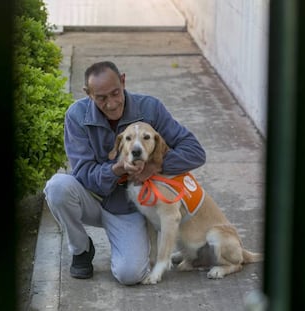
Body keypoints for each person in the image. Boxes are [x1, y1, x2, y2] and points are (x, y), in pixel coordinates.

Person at [44, 61, 206, 285]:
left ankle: (128, 242)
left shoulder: (150, 108)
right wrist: (116, 169)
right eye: (101, 98)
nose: (111, 104)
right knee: (57, 188)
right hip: (93, 198)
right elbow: (82, 173)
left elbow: (195, 151)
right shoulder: (76, 115)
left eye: (115, 93)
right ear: (88, 94)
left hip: (128, 208)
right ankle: (81, 249)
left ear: (123, 81)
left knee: (130, 275)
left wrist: (154, 165)